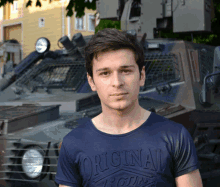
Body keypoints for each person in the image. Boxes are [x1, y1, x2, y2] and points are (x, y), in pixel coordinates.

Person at [55, 28, 203, 187]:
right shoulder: (73, 143)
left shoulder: (175, 137)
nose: (117, 82)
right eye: (105, 73)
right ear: (91, 81)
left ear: (142, 75)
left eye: (125, 71)